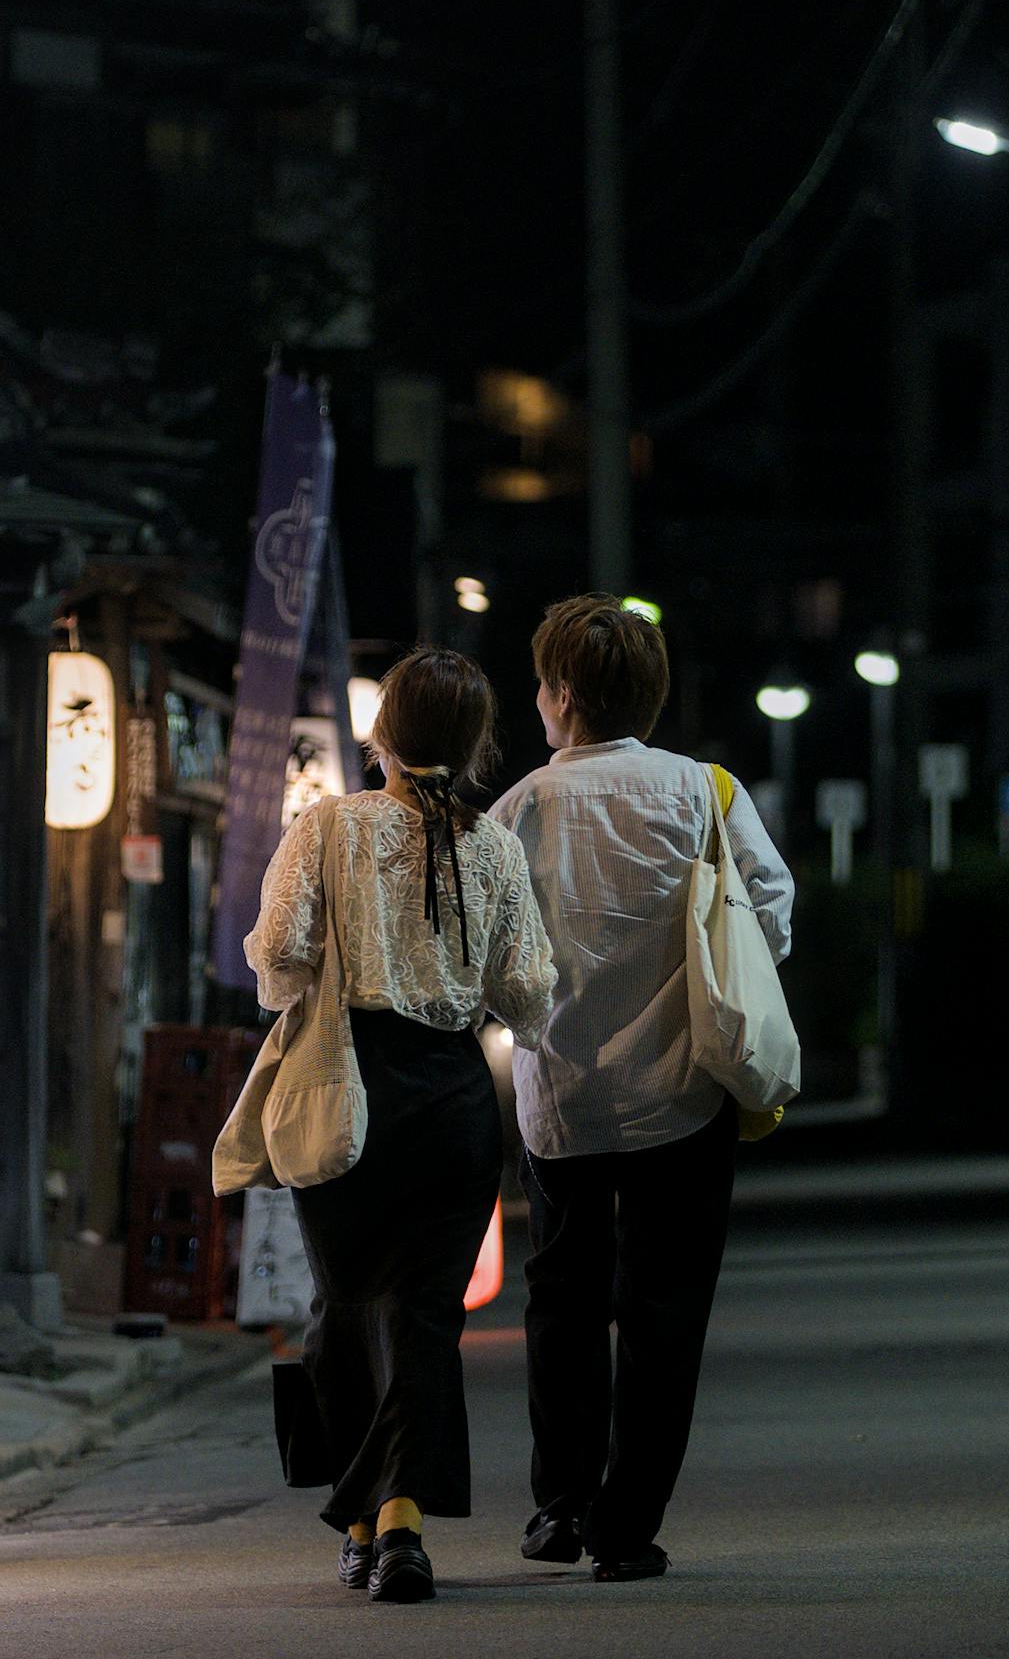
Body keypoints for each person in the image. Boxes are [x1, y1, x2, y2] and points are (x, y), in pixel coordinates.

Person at [489, 594, 792, 1583]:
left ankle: (560, 1504)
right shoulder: (706, 791)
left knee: (562, 1302)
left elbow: (488, 949)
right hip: (686, 1090)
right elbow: (769, 916)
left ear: (564, 694)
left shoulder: (523, 806)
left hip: (563, 1097)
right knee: (665, 1310)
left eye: (541, 683)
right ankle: (630, 1523)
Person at [246, 647, 556, 1604]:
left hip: (349, 1084)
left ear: (380, 734)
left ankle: (379, 1523)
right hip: (452, 1098)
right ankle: (393, 1524)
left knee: (347, 1304)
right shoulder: (493, 846)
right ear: (473, 747)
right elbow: (529, 990)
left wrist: (324, 974)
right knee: (423, 1317)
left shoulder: (325, 828)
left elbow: (278, 954)